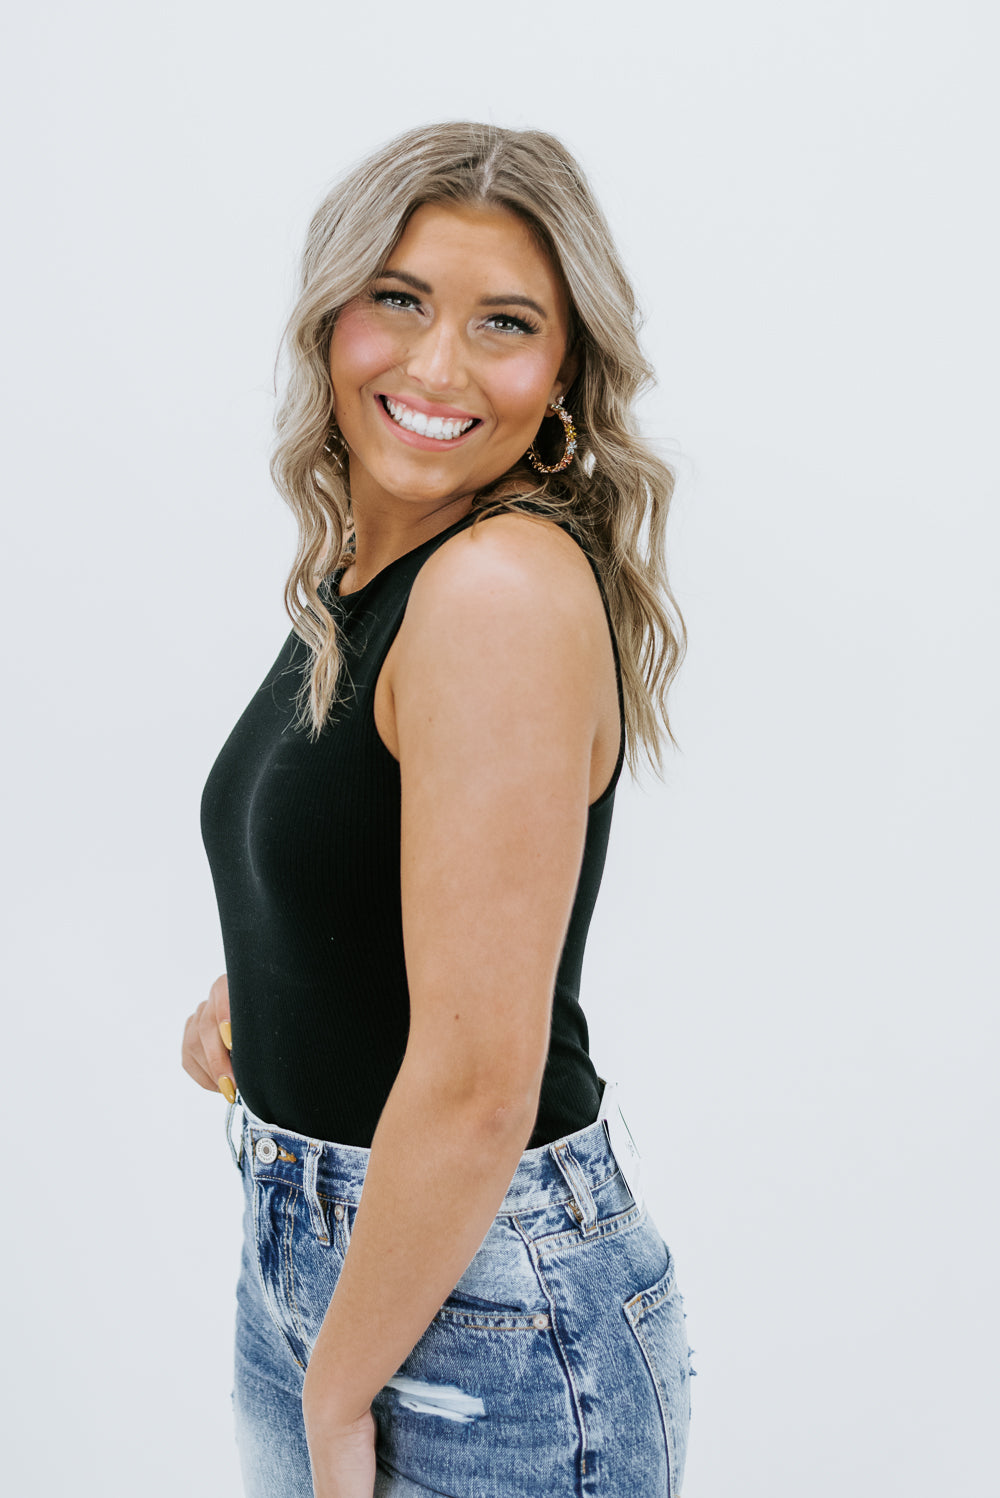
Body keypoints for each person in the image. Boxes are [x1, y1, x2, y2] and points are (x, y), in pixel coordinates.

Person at [183, 120, 692, 1498]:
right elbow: (401, 896)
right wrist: (270, 993)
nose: (437, 366)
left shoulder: (494, 590)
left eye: (504, 323)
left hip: (481, 1315)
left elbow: (477, 1091)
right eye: (398, 299)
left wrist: (336, 1391)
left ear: (565, 376)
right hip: (358, 1260)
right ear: (330, 318)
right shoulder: (374, 573)